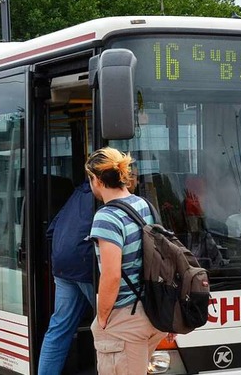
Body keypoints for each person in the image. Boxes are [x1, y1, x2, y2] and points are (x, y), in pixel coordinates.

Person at [85, 147, 166, 374]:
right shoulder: (143, 205)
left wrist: (102, 319)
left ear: (97, 180)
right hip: (151, 311)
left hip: (125, 318)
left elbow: (111, 275)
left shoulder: (106, 217)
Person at [38, 180, 96, 375]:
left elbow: (51, 231)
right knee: (111, 324)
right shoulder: (107, 195)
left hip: (62, 266)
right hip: (86, 267)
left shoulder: (78, 194)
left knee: (59, 327)